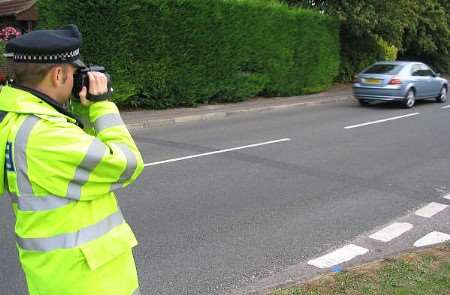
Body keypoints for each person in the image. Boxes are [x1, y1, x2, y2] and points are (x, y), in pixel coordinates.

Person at [0, 24, 144, 294]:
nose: (79, 79)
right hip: (92, 281)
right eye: (75, 73)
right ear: (57, 75)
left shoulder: (10, 121)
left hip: (50, 276)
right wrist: (102, 105)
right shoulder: (49, 135)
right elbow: (128, 164)